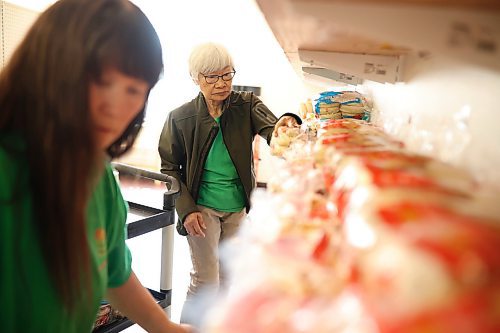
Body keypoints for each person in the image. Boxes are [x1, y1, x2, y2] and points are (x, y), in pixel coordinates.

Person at [0, 1, 192, 332]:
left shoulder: (96, 174)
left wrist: (166, 327)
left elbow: (112, 273)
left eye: (133, 90)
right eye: (100, 81)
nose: (114, 106)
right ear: (49, 66)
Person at [158, 42, 301, 323]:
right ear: (196, 78)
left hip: (237, 206)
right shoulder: (180, 118)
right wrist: (186, 210)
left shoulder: (246, 105)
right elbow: (169, 169)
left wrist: (286, 126)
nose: (222, 83)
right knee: (206, 280)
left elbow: (274, 129)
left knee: (227, 279)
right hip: (202, 208)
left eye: (227, 75)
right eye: (213, 77)